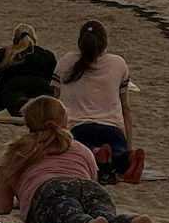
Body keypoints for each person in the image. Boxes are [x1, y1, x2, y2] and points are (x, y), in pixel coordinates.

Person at [0, 97, 155, 223]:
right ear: (65, 120)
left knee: (68, 219)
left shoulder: (18, 151)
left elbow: (0, 206)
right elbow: (92, 179)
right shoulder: (82, 149)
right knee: (107, 219)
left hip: (50, 189)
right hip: (91, 187)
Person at [51, 19, 144, 183]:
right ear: (105, 43)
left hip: (77, 128)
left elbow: (53, 104)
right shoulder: (118, 63)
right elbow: (126, 109)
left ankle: (96, 154)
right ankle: (128, 158)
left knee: (82, 152)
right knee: (118, 153)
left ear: (80, 43)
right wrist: (129, 146)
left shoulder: (66, 62)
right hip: (112, 129)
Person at [0, 23, 56, 123]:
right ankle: (34, 106)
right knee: (43, 101)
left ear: (14, 39)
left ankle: (22, 106)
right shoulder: (46, 55)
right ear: (34, 39)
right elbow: (57, 79)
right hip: (42, 84)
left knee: (16, 102)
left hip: (13, 86)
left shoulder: (4, 53)